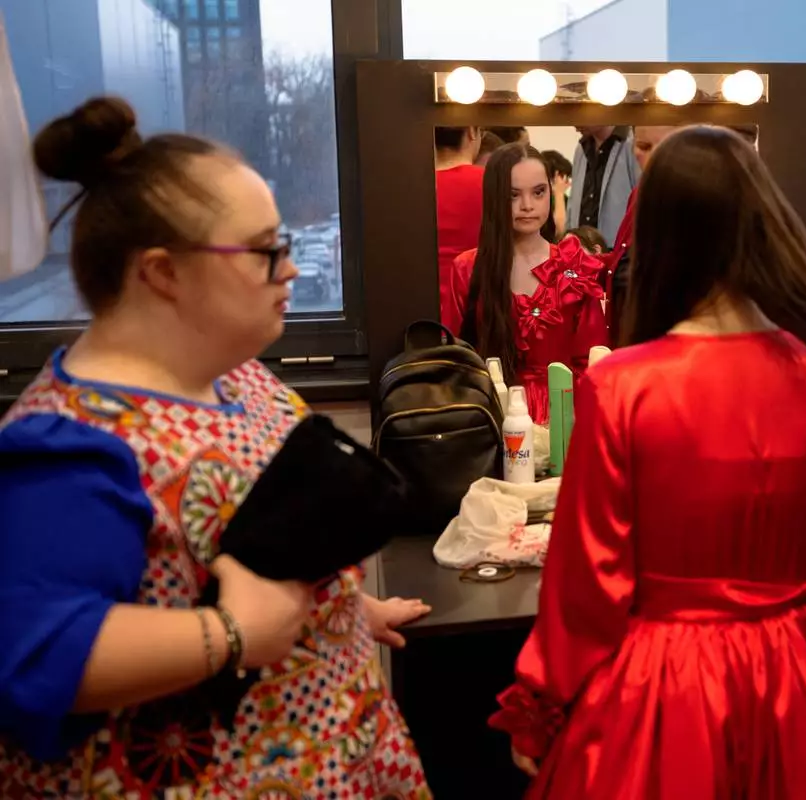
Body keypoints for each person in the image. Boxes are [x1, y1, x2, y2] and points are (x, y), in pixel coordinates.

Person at [490, 125, 806, 798]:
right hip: (804, 674)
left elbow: (587, 586)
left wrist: (541, 705)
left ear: (657, 236)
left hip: (667, 681)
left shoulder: (621, 388)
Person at [0, 97, 432, 797]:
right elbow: (32, 654)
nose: (290, 270)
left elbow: (239, 545)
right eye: (265, 252)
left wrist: (338, 607)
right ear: (162, 272)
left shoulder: (238, 379)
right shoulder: (72, 443)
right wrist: (230, 633)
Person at [444, 142, 607, 425]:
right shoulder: (468, 269)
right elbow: (456, 362)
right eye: (513, 195)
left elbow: (592, 361)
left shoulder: (574, 268)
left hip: (565, 419)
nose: (528, 205)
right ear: (495, 197)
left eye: (539, 192)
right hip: (491, 418)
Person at [605, 125, 680, 345]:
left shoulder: (699, 198)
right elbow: (624, 262)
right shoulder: (640, 194)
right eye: (643, 146)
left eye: (667, 147)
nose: (655, 157)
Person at [435, 126, 484, 325]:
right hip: (476, 311)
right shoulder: (491, 183)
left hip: (421, 315)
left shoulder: (411, 186)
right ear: (472, 131)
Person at [565, 126, 639, 246]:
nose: (575, 125)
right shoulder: (581, 148)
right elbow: (573, 203)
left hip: (619, 250)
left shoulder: (632, 145)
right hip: (581, 249)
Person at [542, 149, 573, 240]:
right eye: (564, 177)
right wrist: (559, 193)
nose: (568, 182)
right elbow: (558, 231)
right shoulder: (544, 199)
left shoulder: (567, 200)